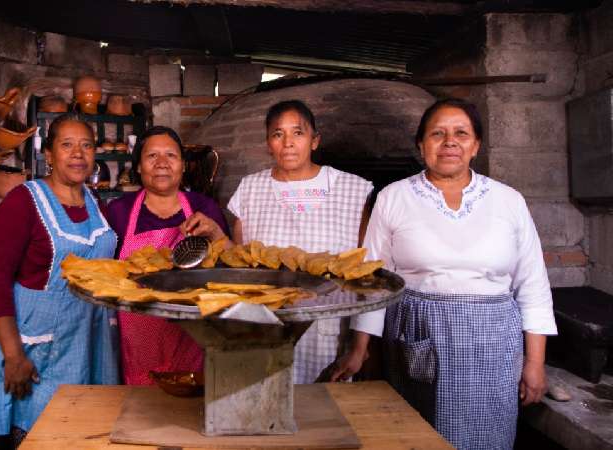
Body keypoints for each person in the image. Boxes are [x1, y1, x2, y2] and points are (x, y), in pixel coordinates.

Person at [350, 98, 556, 449]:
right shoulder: (394, 197)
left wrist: (535, 363)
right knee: (418, 437)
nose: (449, 142)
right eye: (437, 134)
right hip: (419, 335)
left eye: (461, 133)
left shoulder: (509, 201)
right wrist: (359, 350)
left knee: (487, 440)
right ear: (421, 145)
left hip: (494, 348)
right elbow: (374, 280)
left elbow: (533, 285)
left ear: (475, 145)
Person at [0, 114, 120, 444]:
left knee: (83, 430)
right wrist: (13, 355)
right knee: (38, 434)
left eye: (86, 145)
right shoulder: (24, 201)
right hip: (37, 348)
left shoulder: (96, 204)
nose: (78, 154)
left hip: (89, 341)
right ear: (49, 155)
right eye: (67, 145)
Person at [227, 99, 384, 384]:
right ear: (268, 143)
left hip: (327, 335)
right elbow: (240, 270)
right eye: (278, 134)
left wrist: (359, 349)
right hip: (263, 332)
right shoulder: (250, 189)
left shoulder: (352, 190)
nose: (287, 142)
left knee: (322, 417)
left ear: (314, 141)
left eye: (297, 133)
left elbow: (370, 277)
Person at [107, 125, 230, 385]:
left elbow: (233, 265)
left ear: (183, 165)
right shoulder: (119, 211)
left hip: (191, 337)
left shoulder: (203, 207)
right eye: (152, 156)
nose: (162, 163)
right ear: (138, 167)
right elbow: (105, 273)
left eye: (171, 156)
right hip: (137, 340)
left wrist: (217, 233)